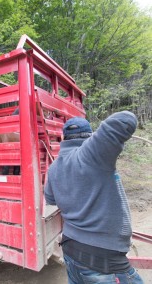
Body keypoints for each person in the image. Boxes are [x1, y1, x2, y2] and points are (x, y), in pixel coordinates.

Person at [44, 111, 144, 284]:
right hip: (102, 261)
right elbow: (126, 119)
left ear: (64, 139)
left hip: (71, 250)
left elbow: (51, 199)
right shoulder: (92, 153)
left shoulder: (54, 168)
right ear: (90, 136)